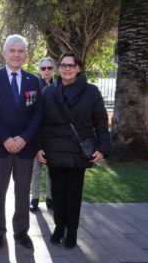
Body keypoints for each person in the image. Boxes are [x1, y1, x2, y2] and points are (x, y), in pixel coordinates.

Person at [37, 52, 111, 248]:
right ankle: (59, 226)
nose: (66, 69)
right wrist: (39, 147)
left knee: (74, 193)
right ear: (58, 68)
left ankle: (72, 230)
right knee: (57, 192)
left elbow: (101, 122)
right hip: (54, 149)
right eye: (62, 65)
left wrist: (103, 148)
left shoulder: (91, 92)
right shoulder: (48, 92)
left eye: (71, 65)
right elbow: (41, 123)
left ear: (79, 68)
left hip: (78, 151)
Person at [0, 34, 42, 250]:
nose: (16, 54)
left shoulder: (33, 80)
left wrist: (24, 138)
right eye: (12, 50)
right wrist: (6, 139)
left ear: (25, 55)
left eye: (21, 51)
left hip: (25, 148)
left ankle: (21, 231)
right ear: (5, 53)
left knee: (22, 191)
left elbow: (37, 114)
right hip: (0, 146)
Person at [30, 56, 56, 211]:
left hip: (52, 134)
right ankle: (35, 197)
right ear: (39, 70)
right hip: (36, 133)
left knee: (51, 168)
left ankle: (50, 197)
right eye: (43, 68)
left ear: (54, 70)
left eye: (49, 68)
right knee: (35, 168)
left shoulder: (59, 85)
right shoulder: (34, 86)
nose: (46, 71)